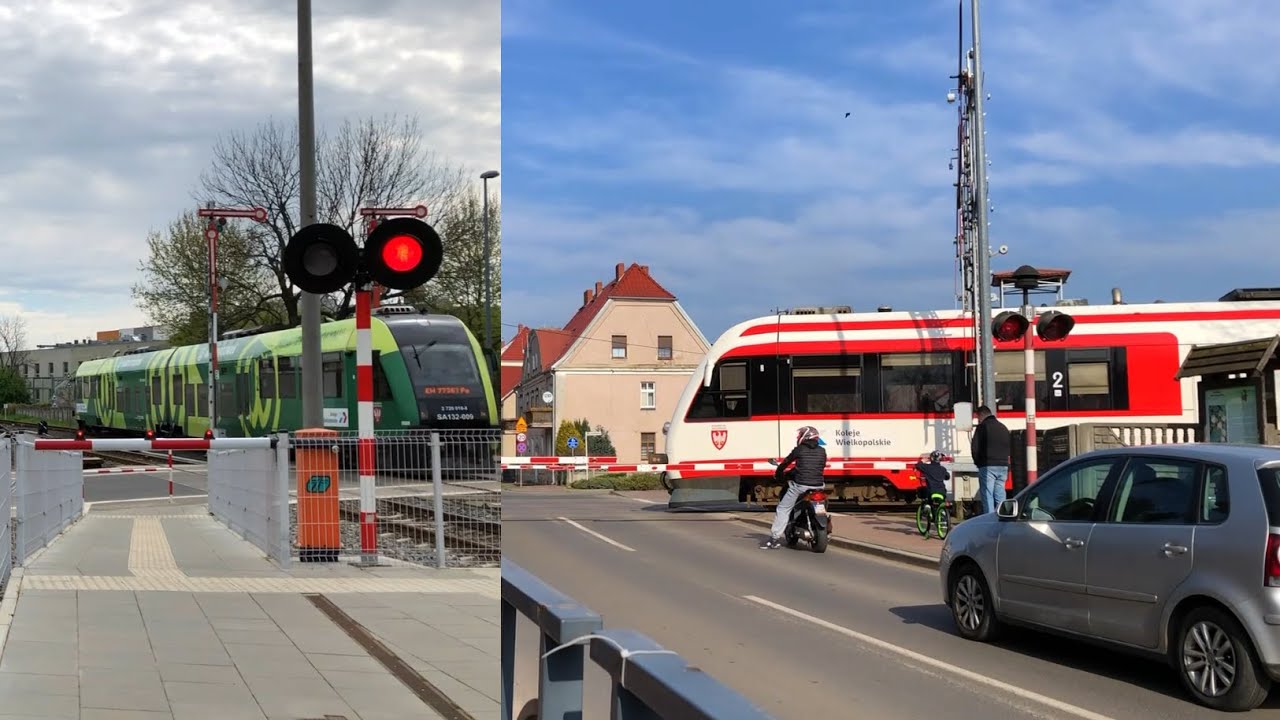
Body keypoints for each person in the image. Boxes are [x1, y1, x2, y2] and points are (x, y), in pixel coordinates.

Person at [760, 426, 827, 549]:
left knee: (783, 508)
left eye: (800, 435)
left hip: (800, 485)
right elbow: (817, 467)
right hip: (819, 485)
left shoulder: (799, 450)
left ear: (805, 436)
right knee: (822, 503)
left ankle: (774, 539)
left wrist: (778, 473)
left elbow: (786, 463)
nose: (798, 437)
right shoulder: (822, 451)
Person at [971, 405, 1011, 514]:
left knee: (987, 494)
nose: (978, 420)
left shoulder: (982, 427)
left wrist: (978, 463)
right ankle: (1003, 516)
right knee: (1000, 494)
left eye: (978, 417)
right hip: (1003, 465)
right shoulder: (1003, 427)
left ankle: (989, 519)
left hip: (987, 465)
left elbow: (975, 448)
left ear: (981, 415)